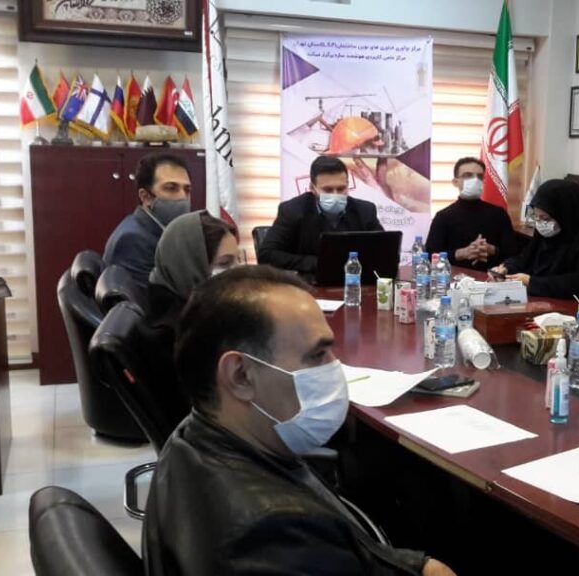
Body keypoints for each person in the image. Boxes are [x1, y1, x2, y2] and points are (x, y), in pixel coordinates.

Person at [144, 266, 456, 576]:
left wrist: (415, 565)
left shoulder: (193, 438)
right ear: (240, 375)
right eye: (317, 356)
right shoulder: (269, 537)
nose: (335, 367)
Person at [489, 179, 579, 299]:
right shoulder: (548, 232)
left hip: (578, 307)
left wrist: (532, 282)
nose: (540, 223)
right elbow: (525, 258)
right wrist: (507, 268)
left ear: (564, 214)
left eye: (545, 218)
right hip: (542, 301)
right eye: (536, 217)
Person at [258, 155, 383, 275]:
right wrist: (319, 263)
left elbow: (385, 251)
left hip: (355, 281)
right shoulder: (292, 211)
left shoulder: (365, 211)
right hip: (308, 281)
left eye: (341, 189)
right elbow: (266, 255)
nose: (335, 195)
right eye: (327, 190)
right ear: (312, 188)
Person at [104, 153, 192, 285]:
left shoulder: (162, 229)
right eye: (171, 188)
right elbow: (152, 296)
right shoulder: (133, 240)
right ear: (146, 197)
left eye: (187, 190)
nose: (183, 197)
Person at [147, 210, 241, 331]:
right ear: (188, 267)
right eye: (225, 263)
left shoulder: (206, 311)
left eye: (239, 259)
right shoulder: (177, 333)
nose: (240, 271)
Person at [424, 157, 517, 270]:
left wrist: (492, 250)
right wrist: (462, 253)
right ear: (455, 182)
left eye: (479, 176)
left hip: (491, 277)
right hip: (454, 277)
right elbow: (430, 257)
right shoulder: (443, 217)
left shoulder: (499, 214)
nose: (475, 180)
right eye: (468, 176)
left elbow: (514, 256)